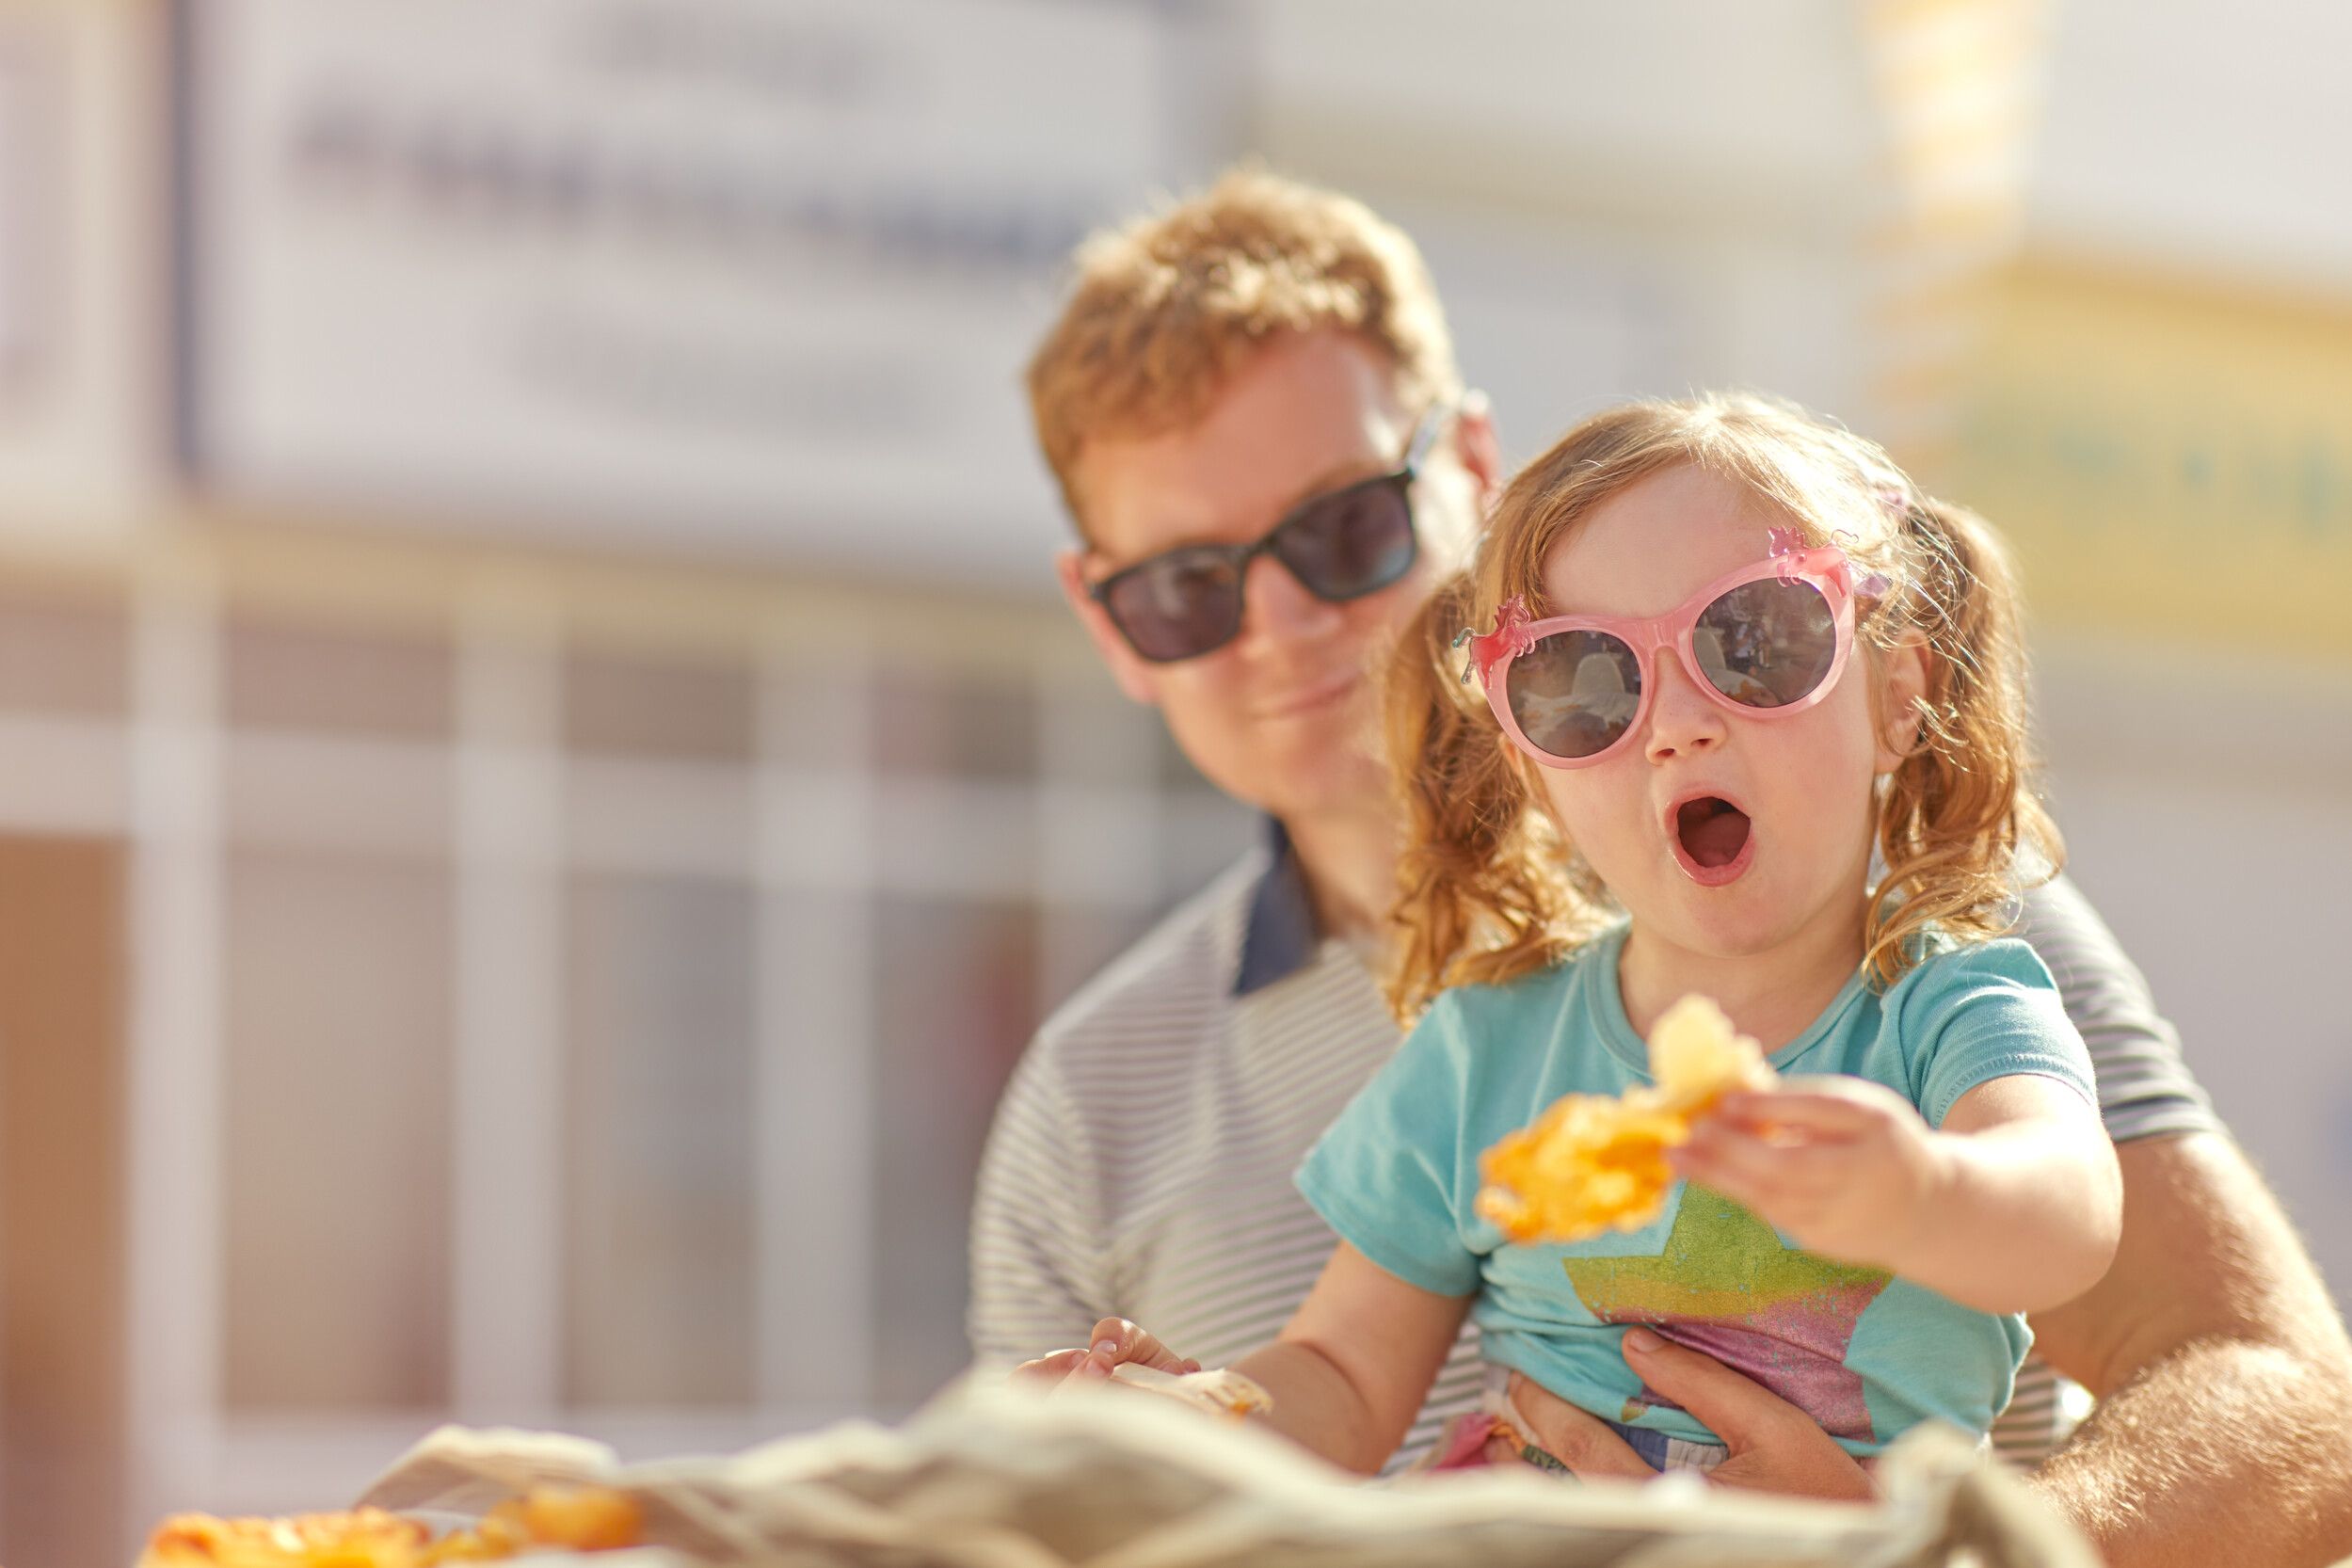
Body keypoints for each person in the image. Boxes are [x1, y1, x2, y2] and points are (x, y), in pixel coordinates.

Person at [969, 168, 2352, 1558]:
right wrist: (1162, 1423)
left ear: (1459, 467)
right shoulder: (1154, 1094)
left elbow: (2258, 1377)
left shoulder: (1932, 916)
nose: (1278, 624)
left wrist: (1920, 1538)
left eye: (1339, 531)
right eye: (1186, 587)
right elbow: (1327, 1376)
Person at [1025, 392, 2129, 1477]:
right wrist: (1190, 1417)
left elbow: (2066, 1217)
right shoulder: (1488, 1050)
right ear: (1534, 775)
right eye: (1583, 685)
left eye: (1755, 642)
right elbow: (1344, 1375)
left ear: (1895, 698)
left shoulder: (1953, 1007)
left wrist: (1920, 1192)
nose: (1677, 724)